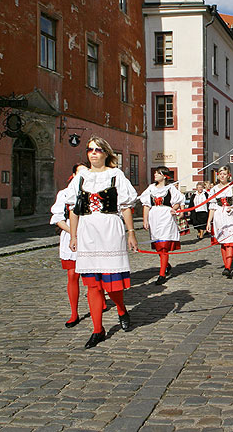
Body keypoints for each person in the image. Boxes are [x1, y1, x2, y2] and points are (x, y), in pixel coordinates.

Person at [68, 135, 138, 349]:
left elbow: (125, 206)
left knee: (111, 282)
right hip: (88, 231)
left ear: (106, 153)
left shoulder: (116, 176)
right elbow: (74, 209)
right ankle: (98, 329)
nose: (94, 153)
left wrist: (131, 232)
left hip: (110, 230)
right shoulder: (81, 177)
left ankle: (121, 308)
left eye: (98, 149)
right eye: (90, 149)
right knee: (92, 284)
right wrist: (73, 235)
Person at [49, 162, 88, 328]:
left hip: (90, 237)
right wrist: (74, 232)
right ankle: (74, 312)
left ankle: (98, 301)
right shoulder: (64, 194)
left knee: (92, 275)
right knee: (72, 275)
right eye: (80, 173)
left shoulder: (94, 193)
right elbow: (58, 218)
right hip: (70, 238)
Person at [139, 167, 183, 285]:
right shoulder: (151, 188)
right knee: (158, 245)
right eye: (155, 173)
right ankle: (166, 264)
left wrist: (174, 209)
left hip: (166, 217)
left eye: (158, 173)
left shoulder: (170, 188)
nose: (155, 175)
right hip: (154, 218)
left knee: (164, 245)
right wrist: (145, 220)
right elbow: (146, 205)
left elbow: (178, 201)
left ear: (165, 176)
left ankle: (162, 274)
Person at [206, 166, 233, 278]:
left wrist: (232, 207)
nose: (222, 176)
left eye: (224, 174)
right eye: (220, 174)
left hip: (231, 216)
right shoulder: (214, 189)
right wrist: (209, 222)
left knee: (229, 243)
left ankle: (228, 267)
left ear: (228, 175)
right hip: (219, 216)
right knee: (223, 243)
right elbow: (212, 206)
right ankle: (226, 265)